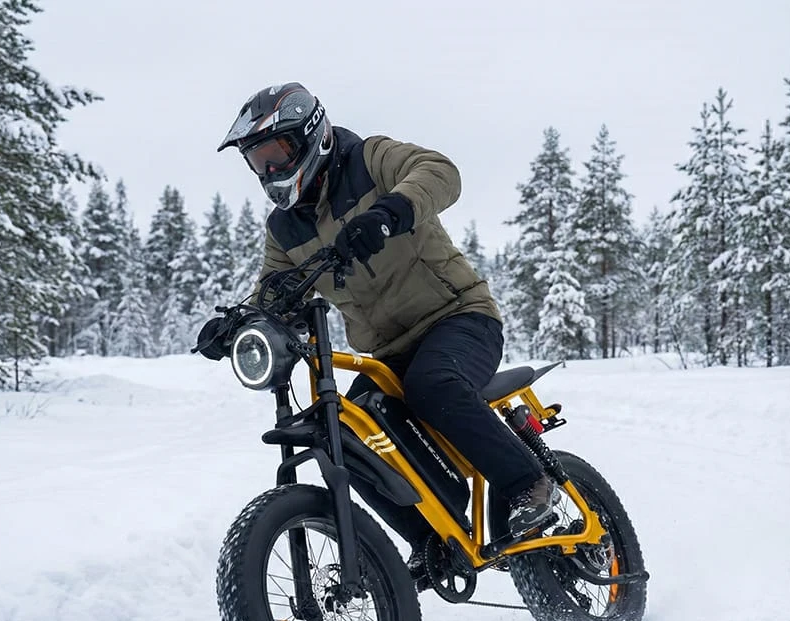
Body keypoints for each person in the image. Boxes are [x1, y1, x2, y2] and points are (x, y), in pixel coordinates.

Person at [210, 81, 556, 560]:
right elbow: (275, 290)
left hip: (459, 317)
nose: (269, 170)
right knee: (343, 435)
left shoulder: (369, 160)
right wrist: (238, 323)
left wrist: (391, 211)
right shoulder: (284, 228)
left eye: (276, 154)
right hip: (390, 356)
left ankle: (527, 484)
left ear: (313, 135)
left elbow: (440, 171)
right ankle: (432, 541)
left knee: (432, 384)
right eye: (258, 161)